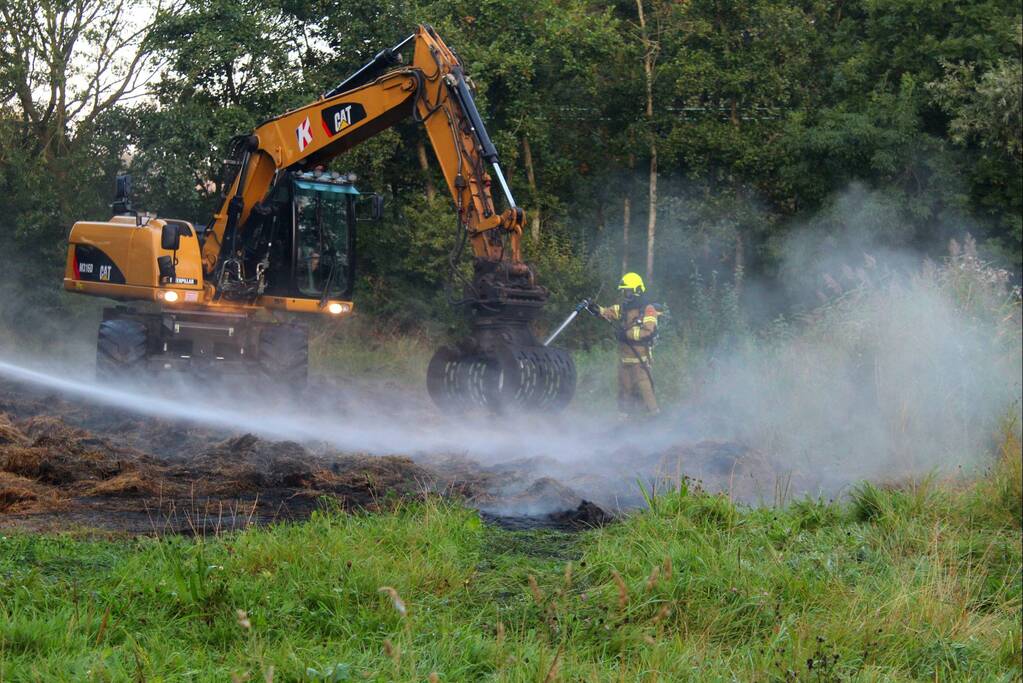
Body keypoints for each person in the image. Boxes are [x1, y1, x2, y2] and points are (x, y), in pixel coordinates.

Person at [588, 272, 660, 417]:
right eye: (624, 291)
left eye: (628, 291)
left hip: (640, 358)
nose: (625, 294)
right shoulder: (624, 308)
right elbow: (609, 312)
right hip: (624, 358)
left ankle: (655, 417)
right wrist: (596, 309)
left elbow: (648, 331)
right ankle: (623, 420)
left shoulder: (648, 309)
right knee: (624, 389)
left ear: (636, 290)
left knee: (645, 388)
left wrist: (626, 335)